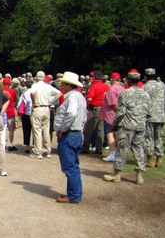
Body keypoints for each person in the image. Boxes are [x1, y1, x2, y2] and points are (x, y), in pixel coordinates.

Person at [103, 71, 150, 185]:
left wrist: (114, 125)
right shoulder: (145, 94)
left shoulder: (125, 93)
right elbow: (148, 111)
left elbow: (121, 112)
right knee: (139, 149)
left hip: (127, 126)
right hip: (140, 125)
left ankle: (117, 174)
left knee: (122, 149)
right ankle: (139, 175)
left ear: (128, 81)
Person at [54, 72, 87, 203]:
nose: (61, 85)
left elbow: (72, 113)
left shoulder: (72, 98)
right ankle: (73, 193)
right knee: (73, 165)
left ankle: (74, 195)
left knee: (70, 166)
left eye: (63, 83)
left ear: (68, 85)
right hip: (75, 134)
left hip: (69, 135)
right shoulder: (79, 96)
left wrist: (64, 128)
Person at [30, 71, 62, 159]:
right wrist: (51, 102)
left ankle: (38, 151)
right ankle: (48, 150)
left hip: (38, 107)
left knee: (37, 131)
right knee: (46, 130)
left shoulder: (35, 85)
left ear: (36, 78)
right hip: (46, 108)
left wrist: (34, 102)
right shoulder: (48, 86)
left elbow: (32, 93)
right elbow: (59, 93)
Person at [143, 68, 165, 168]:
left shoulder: (145, 87)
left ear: (146, 76)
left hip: (149, 116)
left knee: (149, 138)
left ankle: (150, 159)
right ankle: (159, 159)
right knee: (159, 137)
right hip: (160, 116)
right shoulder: (161, 85)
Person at [99, 73, 125, 162]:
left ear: (112, 79)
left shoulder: (112, 90)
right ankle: (116, 153)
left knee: (110, 134)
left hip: (110, 116)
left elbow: (114, 104)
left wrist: (119, 112)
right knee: (116, 135)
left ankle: (113, 153)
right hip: (120, 116)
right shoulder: (123, 89)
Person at [82, 70, 109, 155]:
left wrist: (86, 106)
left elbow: (90, 99)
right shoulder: (106, 86)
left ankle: (86, 147)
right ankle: (99, 148)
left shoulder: (94, 86)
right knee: (100, 130)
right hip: (103, 109)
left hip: (94, 109)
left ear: (95, 77)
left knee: (89, 129)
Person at [3, 77, 17, 151]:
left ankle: (3, 145)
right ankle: (11, 144)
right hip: (10, 111)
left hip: (3, 111)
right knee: (11, 130)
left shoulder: (0, 90)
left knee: (3, 129)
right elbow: (15, 99)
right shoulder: (12, 91)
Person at [17, 86, 33, 153]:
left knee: (26, 130)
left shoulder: (25, 94)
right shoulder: (38, 92)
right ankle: (36, 145)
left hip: (26, 114)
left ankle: (27, 146)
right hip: (34, 113)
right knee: (37, 130)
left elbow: (19, 105)